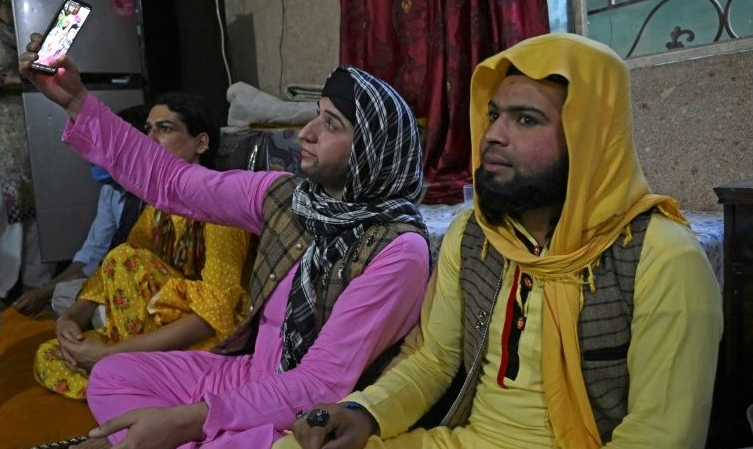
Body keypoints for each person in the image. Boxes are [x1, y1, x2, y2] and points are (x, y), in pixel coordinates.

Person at [277, 33, 724, 449]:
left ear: (589, 138)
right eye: (493, 115)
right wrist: (364, 413)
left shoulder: (662, 256)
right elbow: (433, 360)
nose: (492, 135)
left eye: (526, 120)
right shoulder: (476, 235)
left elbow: (661, 436)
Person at [19, 32, 431, 448]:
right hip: (251, 372)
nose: (306, 133)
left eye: (331, 125)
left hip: (309, 408)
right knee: (112, 375)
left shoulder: (396, 249)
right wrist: (77, 103)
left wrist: (184, 422)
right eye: (316, 115)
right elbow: (174, 182)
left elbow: (319, 382)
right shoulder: (288, 197)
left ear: (372, 152)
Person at [32, 92, 253, 402]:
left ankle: (127, 378)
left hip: (201, 341)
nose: (150, 138)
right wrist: (70, 319)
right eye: (148, 128)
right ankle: (127, 381)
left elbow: (213, 315)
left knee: (127, 259)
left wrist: (109, 353)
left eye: (164, 128)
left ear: (201, 143)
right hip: (148, 333)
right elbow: (105, 276)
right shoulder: (160, 206)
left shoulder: (220, 204)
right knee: (51, 355)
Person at [13, 105, 147, 318]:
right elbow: (93, 252)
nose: (93, 157)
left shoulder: (158, 195)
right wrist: (46, 290)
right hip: (115, 277)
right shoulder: (111, 191)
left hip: (148, 283)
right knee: (63, 296)